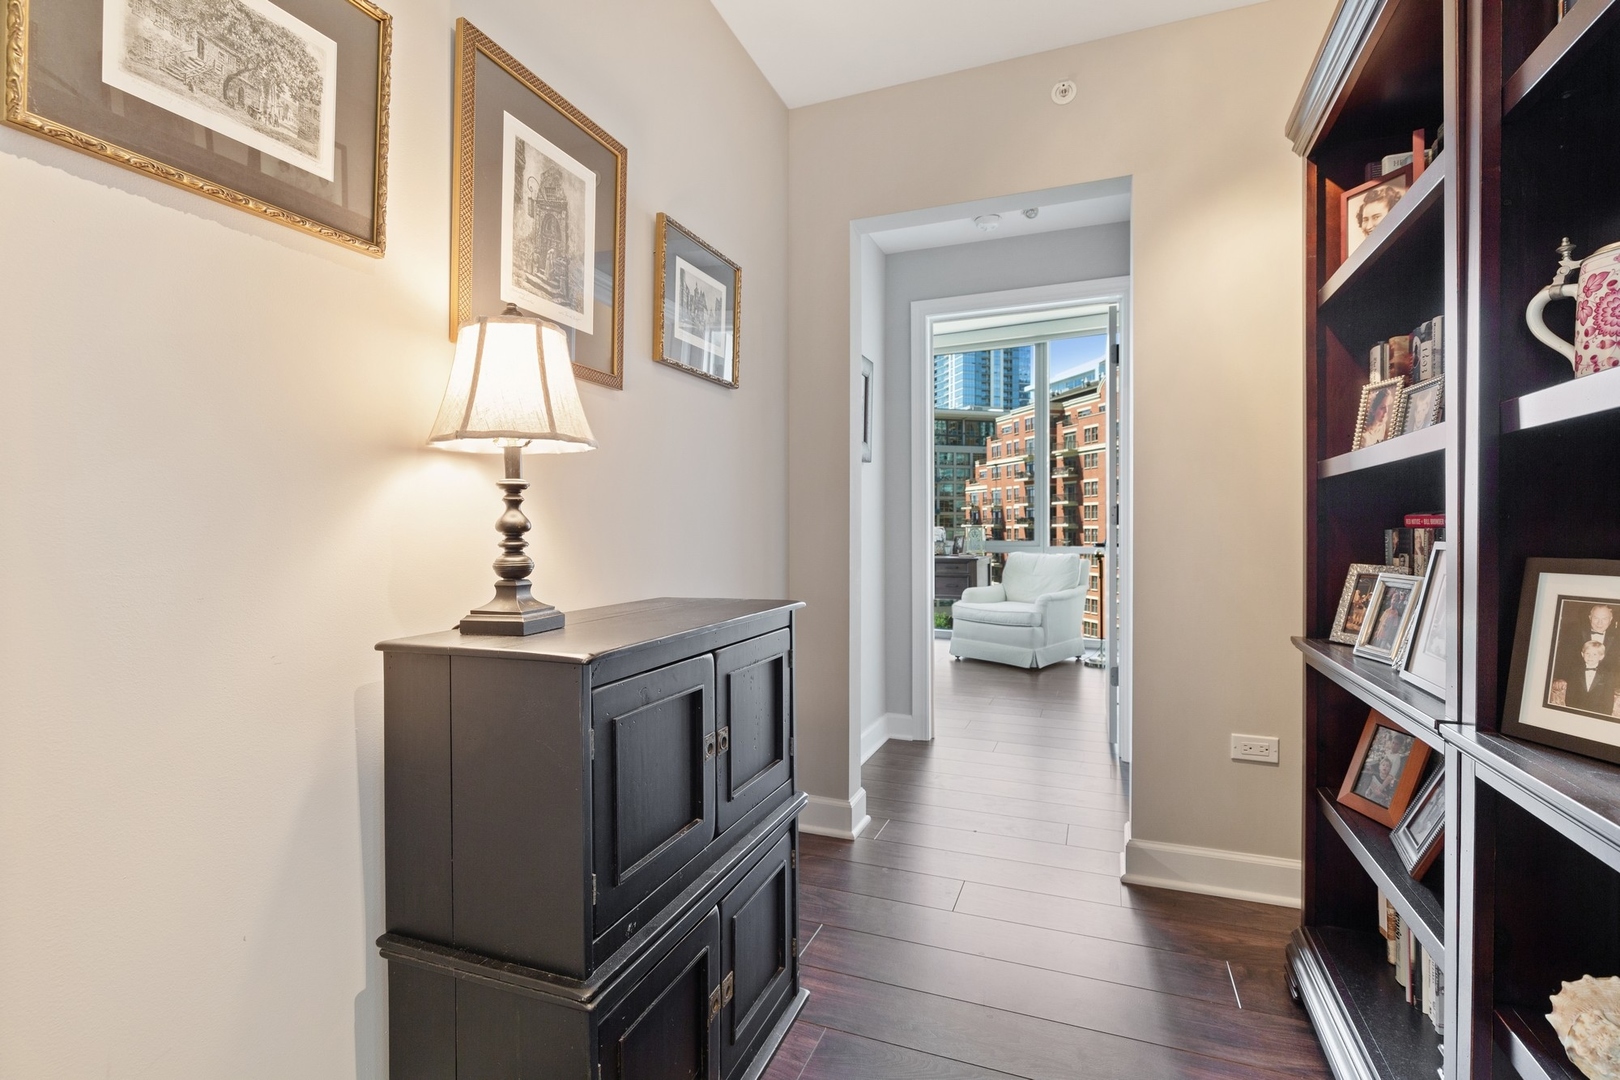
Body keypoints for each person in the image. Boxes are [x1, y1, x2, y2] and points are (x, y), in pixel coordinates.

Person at [1555, 640, 1619, 717]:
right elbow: (1570, 696)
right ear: (1582, 654)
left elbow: (1608, 701)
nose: (1590, 657)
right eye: (1587, 653)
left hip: (1597, 714)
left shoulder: (1608, 675)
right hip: (1576, 712)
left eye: (1594, 654)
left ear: (1601, 656)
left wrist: (1602, 717)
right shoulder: (1575, 672)